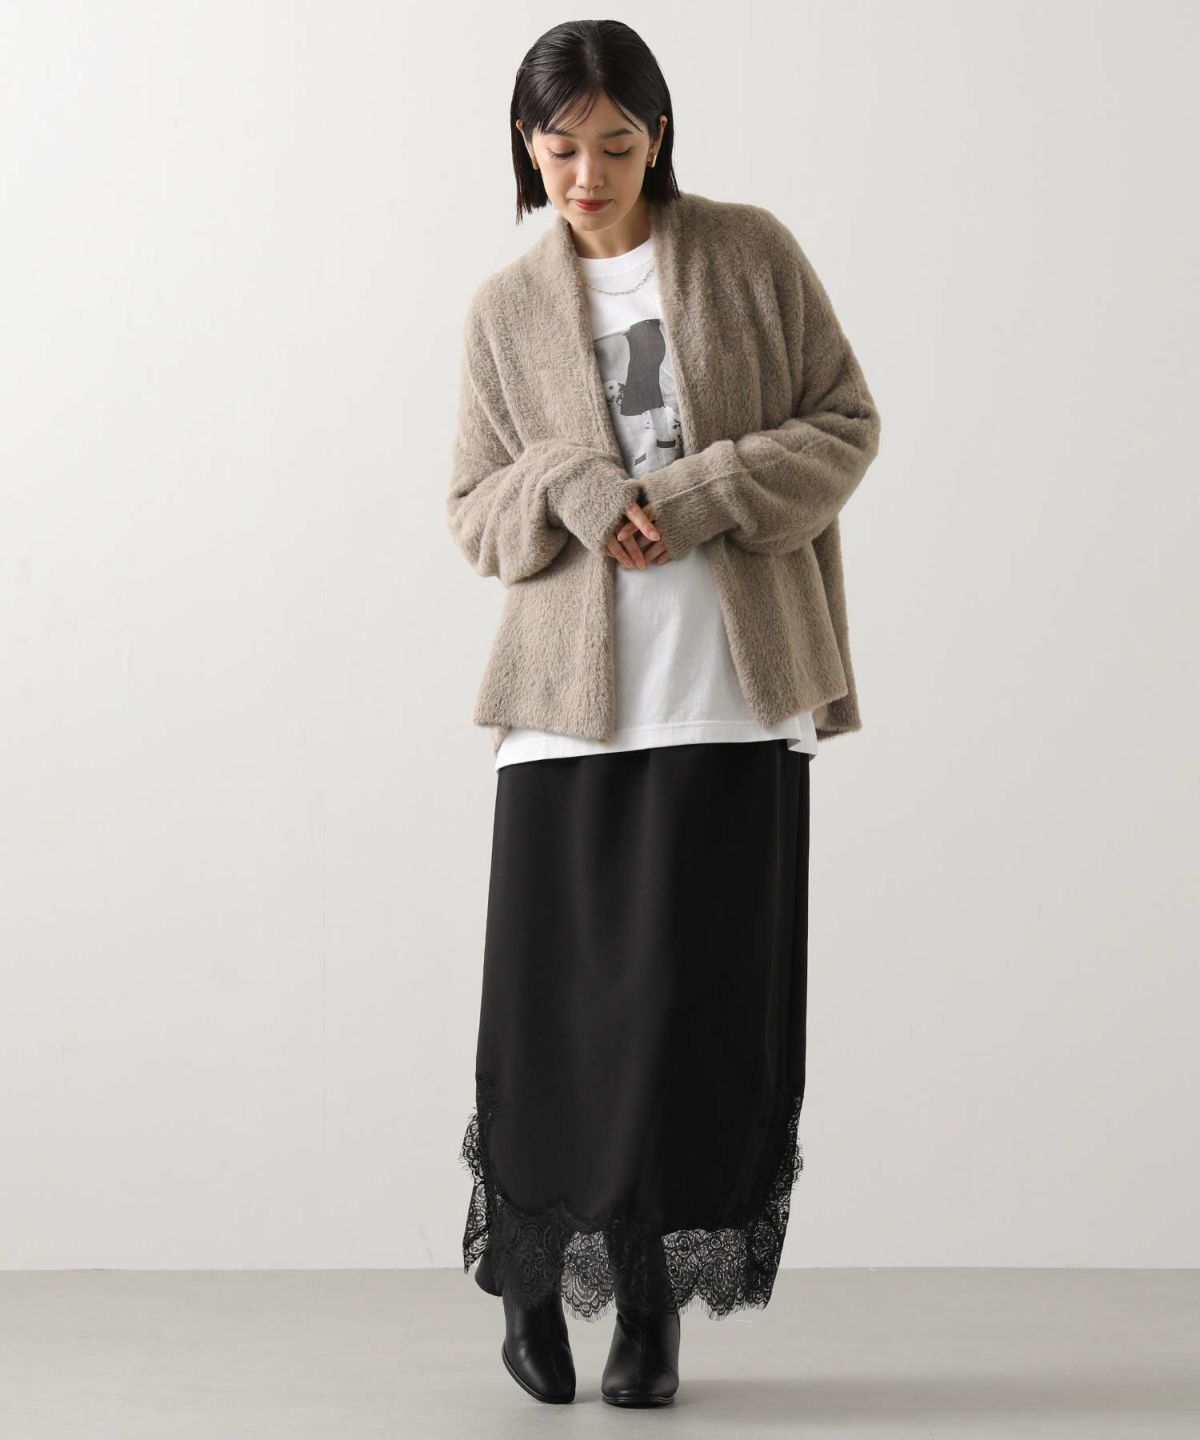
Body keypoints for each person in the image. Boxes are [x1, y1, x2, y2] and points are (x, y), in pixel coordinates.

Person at [447, 20, 881, 1408]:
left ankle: (650, 1307)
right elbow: (474, 512)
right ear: (528, 147)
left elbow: (845, 425)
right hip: (564, 714)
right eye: (561, 147)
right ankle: (530, 1275)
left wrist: (696, 495)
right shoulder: (504, 312)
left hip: (730, 696)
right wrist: (569, 485)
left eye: (616, 144)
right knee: (550, 1025)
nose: (588, 174)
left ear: (660, 136)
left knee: (690, 1023)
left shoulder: (750, 254)